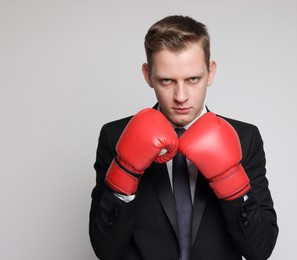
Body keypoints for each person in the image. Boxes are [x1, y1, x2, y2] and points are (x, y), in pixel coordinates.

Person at [89, 15, 278, 260]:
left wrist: (232, 185)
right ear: (148, 75)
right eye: (167, 81)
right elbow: (106, 251)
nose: (181, 96)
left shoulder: (245, 137)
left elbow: (260, 250)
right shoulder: (115, 136)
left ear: (210, 72)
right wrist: (125, 175)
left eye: (193, 79)